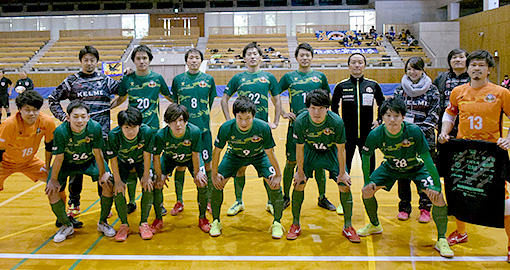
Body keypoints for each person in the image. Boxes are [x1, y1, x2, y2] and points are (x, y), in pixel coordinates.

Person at [357, 97, 454, 258]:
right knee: (366, 191)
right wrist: (367, 181)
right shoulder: (376, 134)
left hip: (416, 168)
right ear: (382, 118)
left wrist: (436, 184)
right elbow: (366, 156)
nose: (392, 119)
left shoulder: (414, 131)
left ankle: (442, 239)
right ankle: (375, 225)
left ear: (403, 116)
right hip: (390, 167)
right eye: (388, 116)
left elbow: (428, 158)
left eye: (396, 115)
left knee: (438, 197)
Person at [438, 49, 510, 262]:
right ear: (467, 68)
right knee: (459, 192)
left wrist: (508, 139)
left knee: (504, 201)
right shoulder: (458, 91)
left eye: (481, 65)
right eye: (473, 65)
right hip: (463, 152)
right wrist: (445, 130)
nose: (476, 69)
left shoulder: (501, 93)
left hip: (491, 154)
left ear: (489, 69)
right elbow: (450, 113)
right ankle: (461, 232)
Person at [48, 45, 123, 218]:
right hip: (77, 135)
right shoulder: (72, 81)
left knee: (102, 168)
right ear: (81, 61)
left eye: (92, 60)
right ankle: (74, 203)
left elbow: (123, 90)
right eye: (86, 60)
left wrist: (116, 102)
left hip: (102, 133)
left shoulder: (105, 80)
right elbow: (53, 99)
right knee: (76, 169)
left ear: (97, 61)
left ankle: (105, 201)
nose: (89, 63)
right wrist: (63, 117)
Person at [286, 89, 358, 242]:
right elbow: (299, 148)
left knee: (344, 184)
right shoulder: (301, 121)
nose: (316, 112)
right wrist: (299, 171)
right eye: (313, 108)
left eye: (320, 108)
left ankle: (348, 226)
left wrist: (342, 172)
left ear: (327, 108)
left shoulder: (336, 122)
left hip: (330, 152)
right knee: (299, 183)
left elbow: (341, 149)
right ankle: (295, 224)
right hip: (310, 152)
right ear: (307, 108)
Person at [220, 42, 282, 216]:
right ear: (244, 58)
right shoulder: (237, 78)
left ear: (260, 57)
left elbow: (277, 100)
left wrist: (275, 122)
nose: (253, 56)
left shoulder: (269, 77)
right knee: (240, 168)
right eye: (249, 54)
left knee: (266, 169)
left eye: (255, 53)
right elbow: (224, 100)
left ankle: (270, 202)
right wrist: (229, 122)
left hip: (261, 132)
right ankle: (239, 202)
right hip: (241, 130)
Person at [210, 96, 284, 238]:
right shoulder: (226, 127)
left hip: (259, 155)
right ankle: (216, 221)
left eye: (248, 118)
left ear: (253, 116)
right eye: (240, 118)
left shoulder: (263, 127)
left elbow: (270, 153)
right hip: (234, 155)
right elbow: (217, 152)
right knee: (217, 184)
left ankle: (277, 223)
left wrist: (278, 174)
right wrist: (214, 174)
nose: (244, 122)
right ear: (235, 116)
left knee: (274, 184)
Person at [113, 44, 173, 215]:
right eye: (138, 58)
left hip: (152, 131)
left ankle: (157, 203)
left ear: (149, 60)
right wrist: (107, 107)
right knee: (132, 167)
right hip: (132, 131)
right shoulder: (128, 79)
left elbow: (169, 97)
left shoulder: (157, 78)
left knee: (154, 170)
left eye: (144, 58)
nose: (141, 61)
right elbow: (121, 98)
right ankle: (131, 201)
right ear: (133, 61)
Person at [45, 100, 115, 243]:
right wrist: (52, 180)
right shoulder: (60, 131)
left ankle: (103, 223)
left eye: (83, 116)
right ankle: (66, 225)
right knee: (51, 190)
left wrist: (102, 173)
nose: (79, 120)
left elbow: (98, 153)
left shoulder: (95, 127)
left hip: (89, 161)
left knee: (108, 183)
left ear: (88, 117)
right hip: (67, 163)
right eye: (75, 116)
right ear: (68, 117)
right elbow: (58, 158)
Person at [279, 43, 335, 211]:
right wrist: (283, 112)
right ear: (296, 57)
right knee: (291, 161)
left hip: (317, 127)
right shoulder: (289, 77)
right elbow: (274, 94)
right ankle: (285, 196)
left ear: (312, 57)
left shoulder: (320, 76)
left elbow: (328, 98)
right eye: (301, 55)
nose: (304, 58)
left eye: (307, 55)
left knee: (319, 163)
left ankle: (322, 197)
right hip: (296, 127)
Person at [331, 53, 385, 214]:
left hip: (368, 136)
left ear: (364, 65)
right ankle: (343, 201)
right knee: (343, 168)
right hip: (347, 135)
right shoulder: (341, 86)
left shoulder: (373, 85)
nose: (357, 65)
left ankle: (369, 197)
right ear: (349, 66)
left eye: (360, 62)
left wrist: (379, 120)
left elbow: (383, 104)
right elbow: (334, 107)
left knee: (369, 168)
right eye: (353, 62)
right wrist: (338, 123)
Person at [150, 103, 211, 234]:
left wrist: (197, 173)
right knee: (156, 183)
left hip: (190, 158)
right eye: (174, 121)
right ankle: (158, 219)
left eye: (181, 121)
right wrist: (160, 175)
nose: (178, 125)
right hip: (169, 159)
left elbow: (196, 154)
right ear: (168, 122)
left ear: (186, 121)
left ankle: (202, 218)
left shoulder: (194, 132)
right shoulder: (161, 135)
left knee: (202, 181)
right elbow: (156, 157)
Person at [170, 48, 216, 216]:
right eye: (191, 58)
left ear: (201, 61)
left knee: (207, 166)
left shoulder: (209, 79)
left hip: (203, 131)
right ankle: (179, 201)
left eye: (197, 58)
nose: (194, 60)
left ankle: (208, 200)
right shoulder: (178, 80)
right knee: (180, 166)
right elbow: (175, 102)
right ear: (186, 61)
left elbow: (210, 101)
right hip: (183, 132)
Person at [393, 57, 439, 223]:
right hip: (402, 139)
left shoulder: (432, 90)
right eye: (409, 69)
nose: (412, 72)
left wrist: (418, 132)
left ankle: (425, 208)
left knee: (424, 174)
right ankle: (404, 207)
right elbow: (395, 112)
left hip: (425, 139)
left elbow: (434, 113)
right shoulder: (399, 90)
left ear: (422, 70)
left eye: (415, 69)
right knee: (403, 173)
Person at [105, 107, 154, 242]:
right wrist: (118, 180)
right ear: (121, 127)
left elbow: (147, 155)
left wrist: (145, 176)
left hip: (140, 162)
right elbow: (113, 159)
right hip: (122, 162)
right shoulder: (113, 136)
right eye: (127, 127)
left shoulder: (146, 132)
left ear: (140, 125)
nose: (131, 131)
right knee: (117, 189)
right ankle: (124, 224)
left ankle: (144, 223)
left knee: (148, 185)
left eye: (134, 127)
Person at [0, 90, 55, 192]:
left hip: (29, 162)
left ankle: (67, 207)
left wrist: (47, 166)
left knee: (56, 181)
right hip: (5, 163)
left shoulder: (46, 122)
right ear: (19, 109)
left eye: (35, 110)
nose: (31, 113)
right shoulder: (9, 125)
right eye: (27, 110)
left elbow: (49, 146)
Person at [433, 48, 470, 139]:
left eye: (461, 57)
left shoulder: (474, 78)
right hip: (445, 120)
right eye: (454, 57)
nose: (458, 60)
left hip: (468, 120)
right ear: (450, 61)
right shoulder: (441, 78)